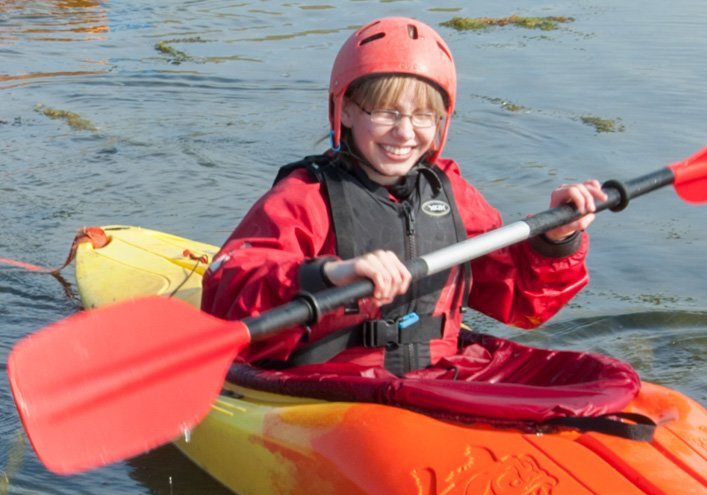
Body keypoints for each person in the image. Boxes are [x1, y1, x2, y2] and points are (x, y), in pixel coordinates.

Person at [201, 16, 608, 379]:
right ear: (345, 112)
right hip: (333, 386)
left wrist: (558, 238)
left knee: (607, 381)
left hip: (438, 378)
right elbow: (229, 287)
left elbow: (521, 303)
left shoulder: (452, 193)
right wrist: (329, 275)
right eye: (386, 113)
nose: (405, 133)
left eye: (423, 116)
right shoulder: (307, 196)